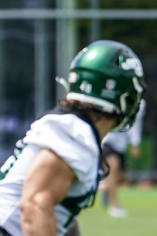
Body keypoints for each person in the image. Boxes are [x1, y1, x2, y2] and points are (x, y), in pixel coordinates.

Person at [0, 40, 145, 236]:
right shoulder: (75, 133)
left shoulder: (76, 129)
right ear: (122, 96)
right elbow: (35, 207)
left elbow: (60, 213)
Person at [100, 98, 146, 218]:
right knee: (113, 169)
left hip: (121, 145)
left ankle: (105, 186)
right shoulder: (113, 97)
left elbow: (135, 124)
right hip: (107, 141)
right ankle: (113, 206)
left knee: (122, 178)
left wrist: (135, 143)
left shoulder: (139, 103)